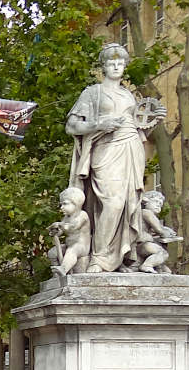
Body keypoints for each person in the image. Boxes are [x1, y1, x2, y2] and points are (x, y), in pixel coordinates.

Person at [66, 42, 166, 272]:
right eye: (112, 63)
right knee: (113, 203)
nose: (116, 67)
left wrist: (153, 121)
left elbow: (139, 129)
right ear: (104, 66)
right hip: (106, 150)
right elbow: (71, 126)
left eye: (120, 63)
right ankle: (99, 259)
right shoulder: (93, 93)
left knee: (128, 204)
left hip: (131, 150)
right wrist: (100, 123)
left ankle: (120, 258)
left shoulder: (129, 96)